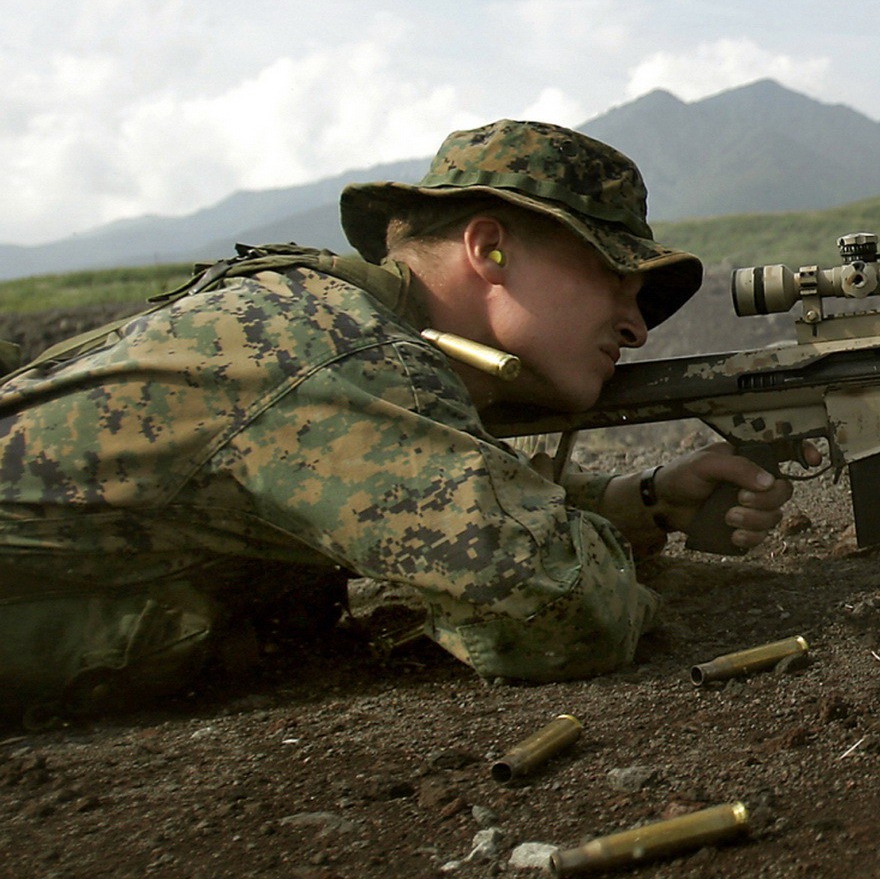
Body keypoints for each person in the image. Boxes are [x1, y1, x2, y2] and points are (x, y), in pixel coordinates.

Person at [0, 120, 795, 720]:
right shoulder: (336, 349)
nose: (636, 327)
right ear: (489, 249)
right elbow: (550, 603)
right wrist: (611, 563)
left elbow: (445, 501)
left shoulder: (346, 332)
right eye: (614, 277)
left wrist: (645, 500)